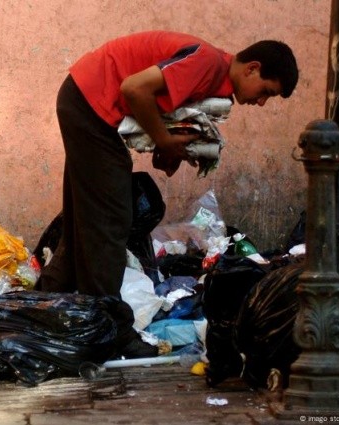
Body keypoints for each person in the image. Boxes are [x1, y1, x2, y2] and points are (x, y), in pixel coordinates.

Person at [35, 30, 298, 297]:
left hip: (85, 100)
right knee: (111, 217)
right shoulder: (208, 63)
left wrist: (166, 147)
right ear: (252, 69)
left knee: (84, 218)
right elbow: (134, 88)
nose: (262, 102)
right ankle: (106, 318)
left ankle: (45, 299)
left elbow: (153, 105)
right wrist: (163, 139)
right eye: (266, 91)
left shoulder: (217, 79)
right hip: (89, 101)